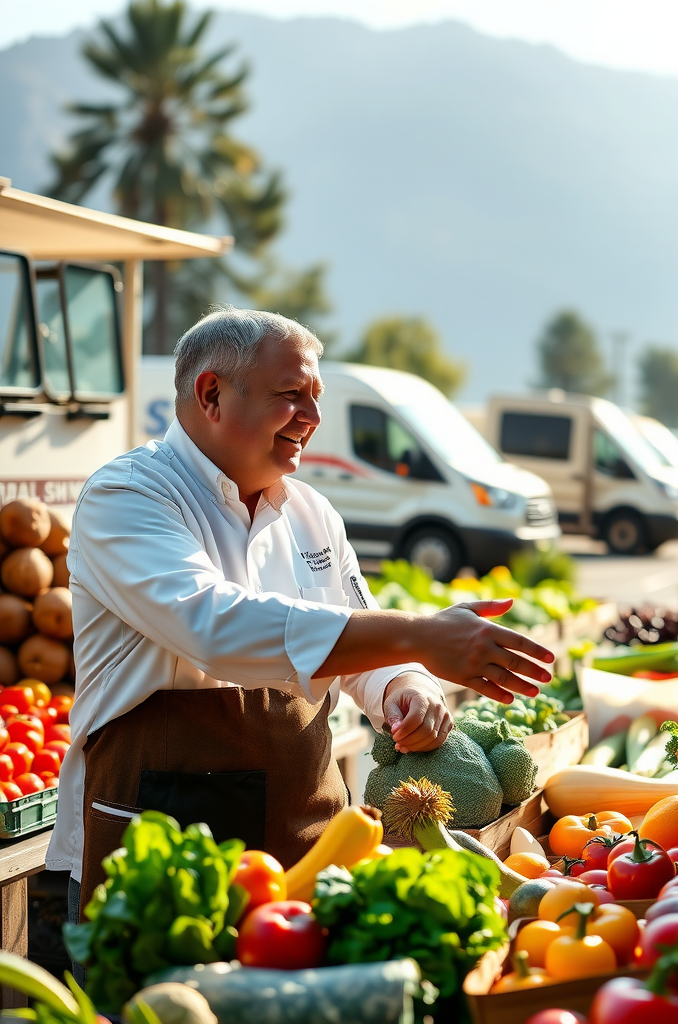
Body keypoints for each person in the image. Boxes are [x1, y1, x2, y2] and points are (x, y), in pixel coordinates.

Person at [49, 307, 554, 923]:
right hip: (162, 854)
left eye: (315, 397)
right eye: (292, 396)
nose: (313, 419)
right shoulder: (127, 496)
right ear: (211, 394)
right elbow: (214, 626)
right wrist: (422, 637)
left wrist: (403, 684)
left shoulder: (313, 512)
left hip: (306, 848)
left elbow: (355, 626)